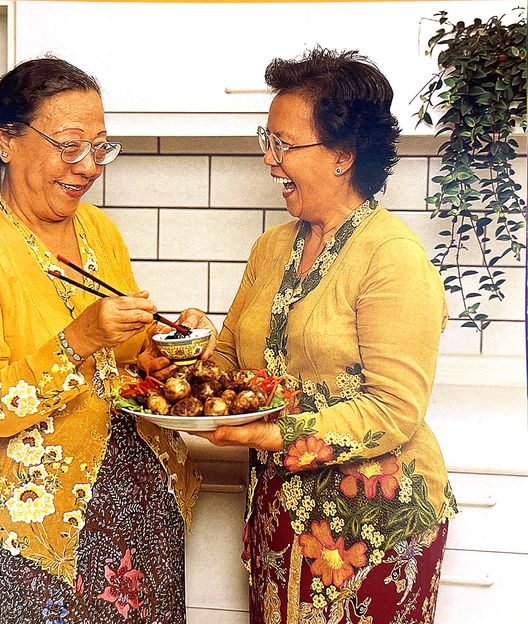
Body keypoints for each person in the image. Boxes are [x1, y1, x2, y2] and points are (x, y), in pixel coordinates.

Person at [0, 57, 206, 624]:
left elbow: (125, 365)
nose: (88, 166)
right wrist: (77, 340)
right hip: (36, 527)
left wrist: (168, 349)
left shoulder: (99, 230)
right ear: (8, 140)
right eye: (70, 145)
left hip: (145, 507)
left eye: (100, 147)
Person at [193, 47, 458, 623]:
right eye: (268, 141)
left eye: (284, 144)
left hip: (373, 524)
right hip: (278, 507)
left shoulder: (393, 257)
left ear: (342, 155)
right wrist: (194, 342)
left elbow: (394, 410)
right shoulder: (271, 248)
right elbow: (236, 360)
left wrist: (274, 435)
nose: (269, 159)